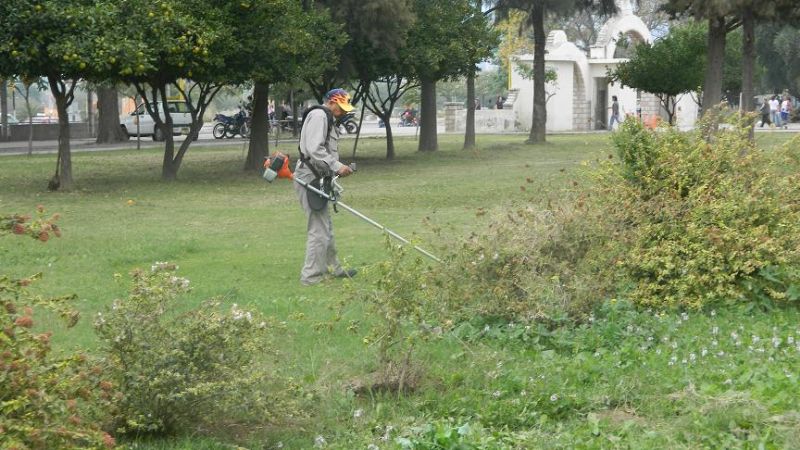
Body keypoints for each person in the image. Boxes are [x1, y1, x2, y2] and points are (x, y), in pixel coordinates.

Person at [294, 88, 356, 286]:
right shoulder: (320, 115)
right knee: (318, 229)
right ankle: (311, 277)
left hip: (317, 176)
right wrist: (337, 166)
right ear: (332, 101)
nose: (344, 111)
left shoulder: (326, 117)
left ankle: (333, 268)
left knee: (325, 226)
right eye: (341, 107)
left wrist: (335, 170)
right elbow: (314, 149)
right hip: (308, 176)